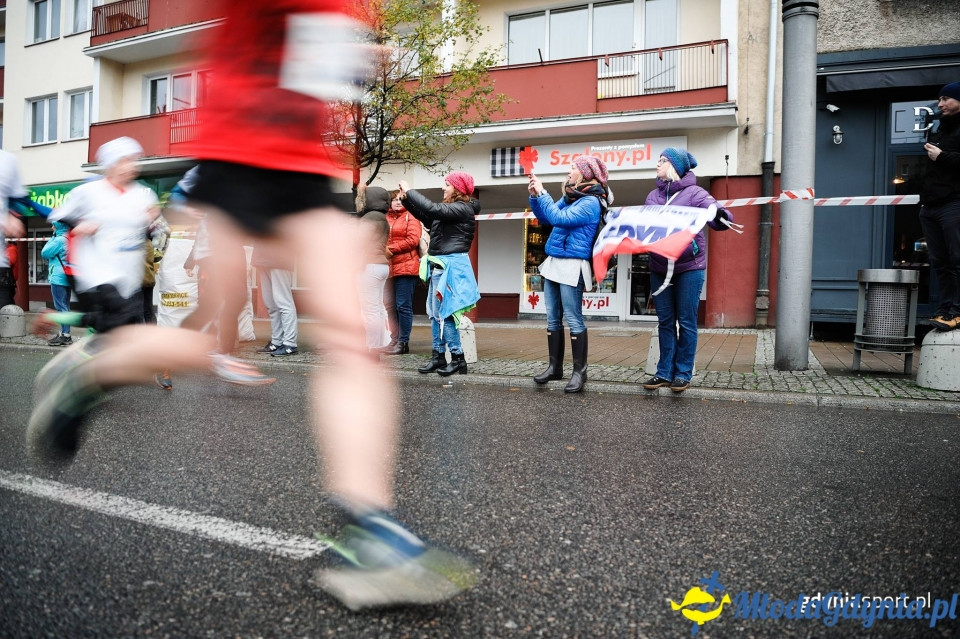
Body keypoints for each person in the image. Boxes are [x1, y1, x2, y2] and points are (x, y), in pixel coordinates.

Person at [27, 1, 474, 611]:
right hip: (240, 155)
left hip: (301, 165)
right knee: (220, 344)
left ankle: (369, 529)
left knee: (339, 340)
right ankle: (93, 368)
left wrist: (357, 57)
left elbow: (318, 55)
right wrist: (347, 53)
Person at [641, 147, 733, 393]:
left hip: (689, 267)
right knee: (665, 322)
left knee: (686, 321)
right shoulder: (653, 196)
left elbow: (718, 214)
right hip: (659, 266)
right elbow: (645, 226)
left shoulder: (695, 193)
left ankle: (682, 374)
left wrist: (720, 215)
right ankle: (664, 373)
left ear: (674, 166)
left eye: (662, 160)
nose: (657, 164)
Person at [527, 156, 611, 393]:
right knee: (552, 318)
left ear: (585, 173)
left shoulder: (591, 202)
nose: (568, 171)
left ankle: (579, 372)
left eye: (573, 168)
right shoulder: (571, 197)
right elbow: (545, 218)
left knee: (573, 319)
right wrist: (535, 197)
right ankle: (555, 368)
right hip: (555, 262)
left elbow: (558, 218)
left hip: (573, 265)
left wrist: (543, 193)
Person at [399, 172, 481, 376]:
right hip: (439, 266)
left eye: (447, 184)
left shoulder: (462, 208)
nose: (443, 188)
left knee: (446, 314)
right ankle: (438, 356)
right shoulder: (451, 210)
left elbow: (431, 208)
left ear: (458, 189)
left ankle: (458, 358)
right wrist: (407, 201)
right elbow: (428, 218)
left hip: (450, 268)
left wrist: (410, 191)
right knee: (435, 315)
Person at [919, 81, 960, 331]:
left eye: (945, 99)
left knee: (957, 259)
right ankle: (945, 309)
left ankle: (958, 311)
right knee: (940, 262)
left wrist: (942, 156)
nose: (940, 104)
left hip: (954, 203)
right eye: (939, 99)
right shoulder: (941, 129)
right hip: (930, 205)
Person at [383, 189, 421, 355]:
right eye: (394, 199)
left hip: (406, 267)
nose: (398, 202)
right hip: (388, 267)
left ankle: (403, 342)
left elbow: (413, 240)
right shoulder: (385, 218)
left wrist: (390, 249)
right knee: (389, 306)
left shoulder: (411, 216)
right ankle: (394, 339)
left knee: (403, 306)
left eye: (401, 199)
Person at [355, 185, 393, 351]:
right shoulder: (381, 217)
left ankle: (372, 349)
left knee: (369, 311)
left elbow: (358, 241)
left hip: (369, 266)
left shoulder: (370, 218)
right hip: (380, 265)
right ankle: (378, 345)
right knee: (377, 309)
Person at [252, 240, 299, 356]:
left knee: (283, 302)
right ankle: (277, 342)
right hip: (262, 258)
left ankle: (290, 344)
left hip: (280, 257)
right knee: (271, 304)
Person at [0, 150, 27, 309]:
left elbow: (19, 197)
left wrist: (14, 215)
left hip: (1, 266)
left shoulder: (8, 160)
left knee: (6, 314)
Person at [41, 222, 73, 345]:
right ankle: (65, 333)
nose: (52, 227)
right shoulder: (68, 239)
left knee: (61, 307)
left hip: (58, 278)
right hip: (67, 277)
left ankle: (65, 335)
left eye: (53, 225)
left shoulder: (59, 240)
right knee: (65, 306)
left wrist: (53, 236)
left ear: (58, 227)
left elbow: (44, 252)